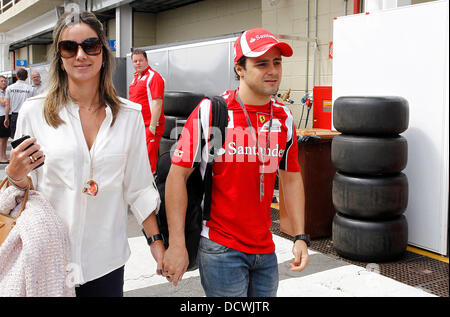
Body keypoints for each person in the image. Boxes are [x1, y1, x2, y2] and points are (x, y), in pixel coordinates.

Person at [6, 11, 164, 297]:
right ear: (60, 57)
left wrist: (156, 242)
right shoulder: (35, 111)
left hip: (106, 262)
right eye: (69, 47)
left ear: (102, 53)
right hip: (49, 258)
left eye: (90, 45)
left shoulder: (129, 116)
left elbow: (138, 186)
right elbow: (26, 189)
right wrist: (14, 175)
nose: (81, 55)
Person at [162, 28, 310, 297]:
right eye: (261, 63)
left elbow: (291, 177)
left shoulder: (284, 118)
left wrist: (300, 236)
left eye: (277, 62)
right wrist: (177, 244)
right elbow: (177, 176)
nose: (272, 70)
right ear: (239, 69)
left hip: (265, 251)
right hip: (221, 248)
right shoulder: (212, 112)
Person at [128, 49, 165, 176]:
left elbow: (157, 102)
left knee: (150, 162)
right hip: (138, 126)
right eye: (135, 61)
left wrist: (153, 127)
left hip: (150, 126)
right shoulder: (134, 79)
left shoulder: (154, 77)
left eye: (140, 60)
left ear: (146, 61)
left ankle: (152, 190)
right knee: (139, 161)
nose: (138, 63)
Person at [4, 68, 34, 139]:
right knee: (26, 137)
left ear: (16, 76)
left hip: (15, 115)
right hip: (27, 115)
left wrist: (6, 118)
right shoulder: (31, 88)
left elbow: (7, 104)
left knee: (15, 138)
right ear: (27, 77)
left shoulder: (9, 88)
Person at [0, 75, 9, 163]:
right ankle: (1, 157)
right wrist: (8, 99)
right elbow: (3, 103)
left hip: (4, 116)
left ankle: (4, 156)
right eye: (2, 81)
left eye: (5, 81)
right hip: (1, 116)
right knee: (2, 139)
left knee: (5, 138)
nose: (4, 83)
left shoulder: (5, 92)